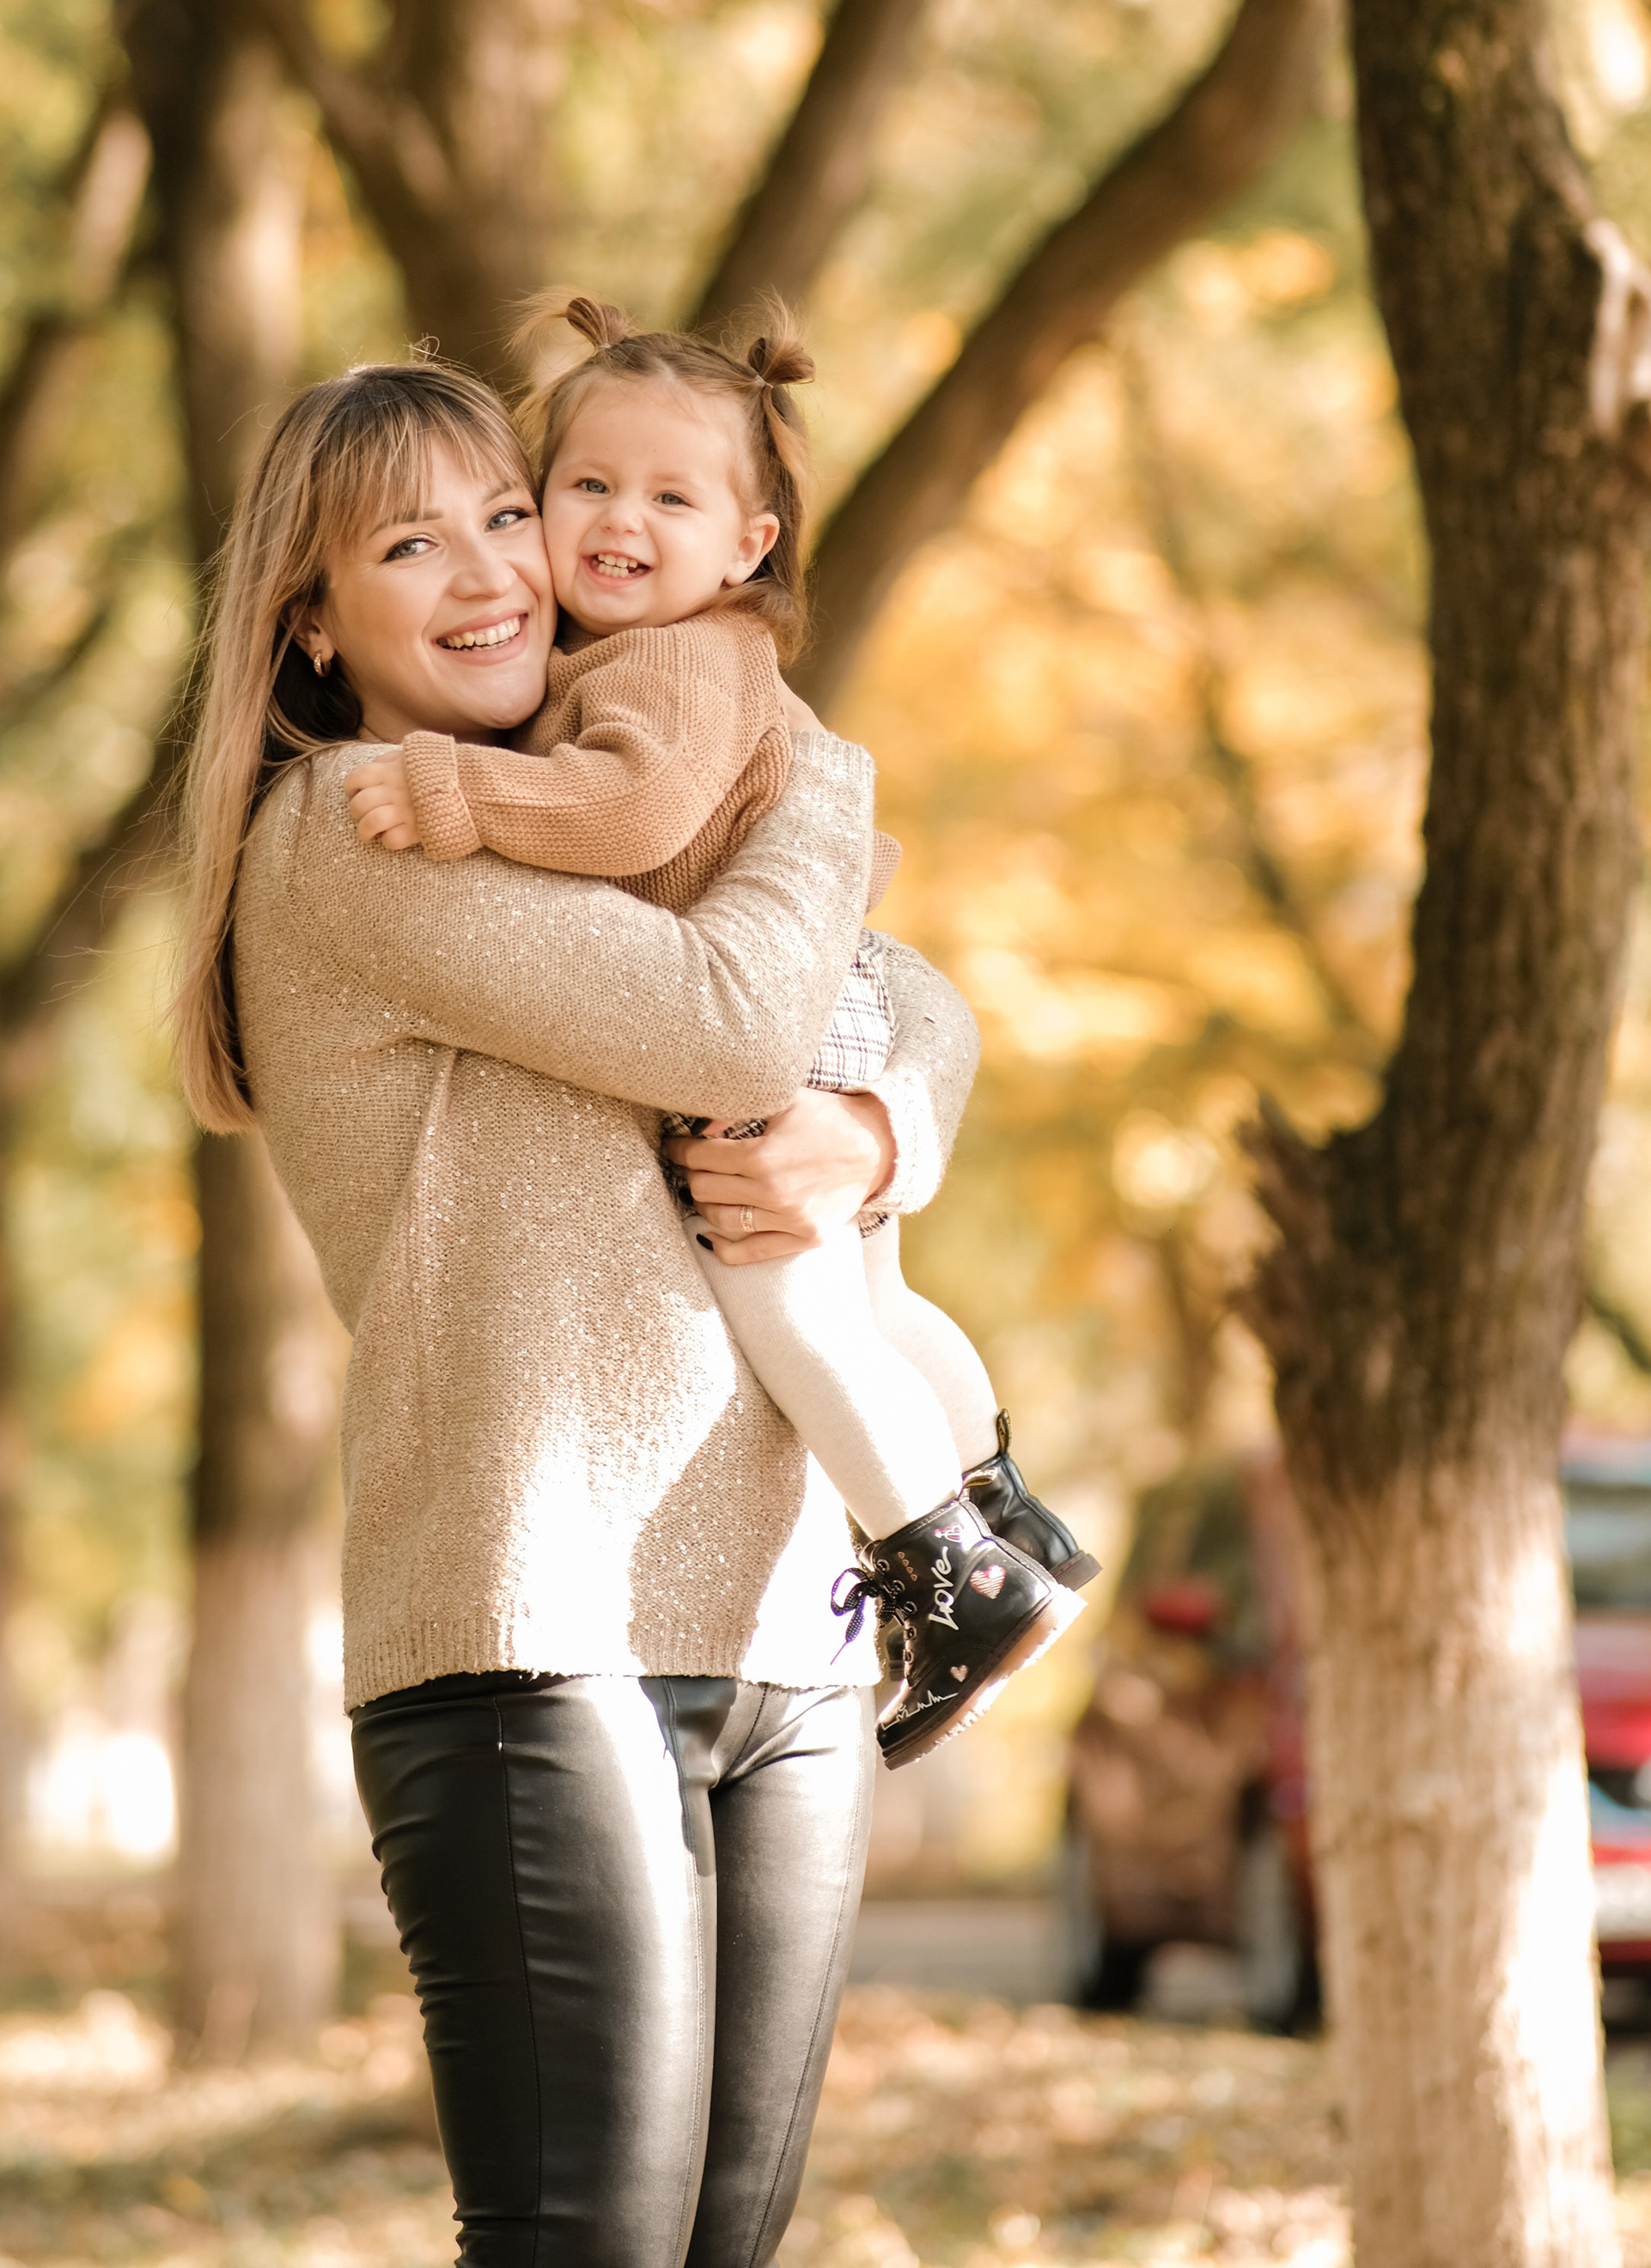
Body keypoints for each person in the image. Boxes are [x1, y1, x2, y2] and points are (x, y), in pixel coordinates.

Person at [174, 355, 982, 2265]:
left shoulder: (574, 806)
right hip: (530, 1632)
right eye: (405, 542)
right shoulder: (362, 832)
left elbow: (905, 999)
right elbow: (737, 1012)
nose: (488, 572)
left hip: (785, 1623)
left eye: (504, 516)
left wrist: (872, 1132)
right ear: (311, 621)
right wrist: (818, 771)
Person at [338, 295, 1098, 1768]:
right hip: (833, 997)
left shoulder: (671, 665)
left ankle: (950, 1573)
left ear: (749, 546)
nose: (618, 524)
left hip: (798, 1021)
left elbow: (629, 812)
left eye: (670, 499)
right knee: (867, 1302)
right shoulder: (654, 662)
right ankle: (997, 1499)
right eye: (584, 489)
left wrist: (454, 793)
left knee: (788, 1305)